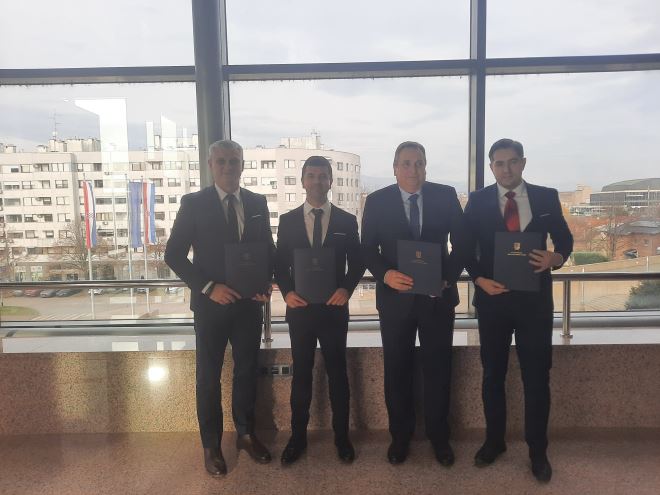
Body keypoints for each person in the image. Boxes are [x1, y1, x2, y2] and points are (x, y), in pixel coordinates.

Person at [464, 138, 573, 483]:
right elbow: (464, 247)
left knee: (537, 378)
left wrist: (556, 258)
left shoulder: (546, 197)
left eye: (512, 161)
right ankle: (494, 442)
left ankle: (538, 451)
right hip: (492, 301)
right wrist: (478, 279)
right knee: (492, 375)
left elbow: (565, 240)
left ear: (523, 163)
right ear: (491, 167)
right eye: (499, 163)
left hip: (534, 304)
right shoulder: (477, 201)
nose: (506, 169)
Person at [164, 139, 275, 476]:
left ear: (242, 165)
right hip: (210, 306)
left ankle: (245, 434)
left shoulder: (257, 202)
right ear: (211, 164)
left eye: (234, 161)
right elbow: (173, 255)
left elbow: (267, 249)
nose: (228, 167)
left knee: (247, 371)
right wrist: (209, 287)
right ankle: (211, 445)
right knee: (208, 377)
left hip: (249, 306)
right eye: (222, 161)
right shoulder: (193, 203)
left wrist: (265, 284)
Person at [361, 141, 470, 466]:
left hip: (437, 298)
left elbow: (463, 243)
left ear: (425, 166)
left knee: (439, 369)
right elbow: (367, 249)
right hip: (395, 300)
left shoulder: (445, 195)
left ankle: (439, 437)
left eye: (419, 163)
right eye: (406, 163)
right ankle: (400, 437)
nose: (413, 169)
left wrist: (446, 277)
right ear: (395, 168)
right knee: (397, 369)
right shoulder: (377, 201)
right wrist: (385, 275)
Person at [275, 156, 365, 465]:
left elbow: (359, 262)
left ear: (330, 181)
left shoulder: (346, 221)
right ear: (302, 181)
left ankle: (342, 438)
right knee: (301, 374)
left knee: (338, 373)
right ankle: (297, 437)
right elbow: (279, 264)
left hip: (333, 310)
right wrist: (286, 292)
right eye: (311, 175)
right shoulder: (287, 221)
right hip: (300, 310)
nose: (317, 181)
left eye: (322, 176)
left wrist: (346, 289)